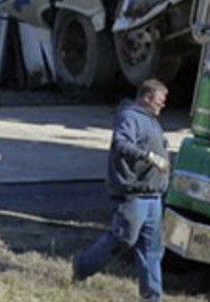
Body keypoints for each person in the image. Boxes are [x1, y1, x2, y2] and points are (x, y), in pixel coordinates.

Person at [73, 78, 171, 302]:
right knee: (123, 239)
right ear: (147, 98)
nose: (163, 105)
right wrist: (148, 157)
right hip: (134, 194)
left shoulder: (151, 120)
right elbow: (121, 143)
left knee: (152, 249)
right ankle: (82, 267)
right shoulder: (130, 117)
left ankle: (152, 297)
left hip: (153, 195)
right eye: (160, 101)